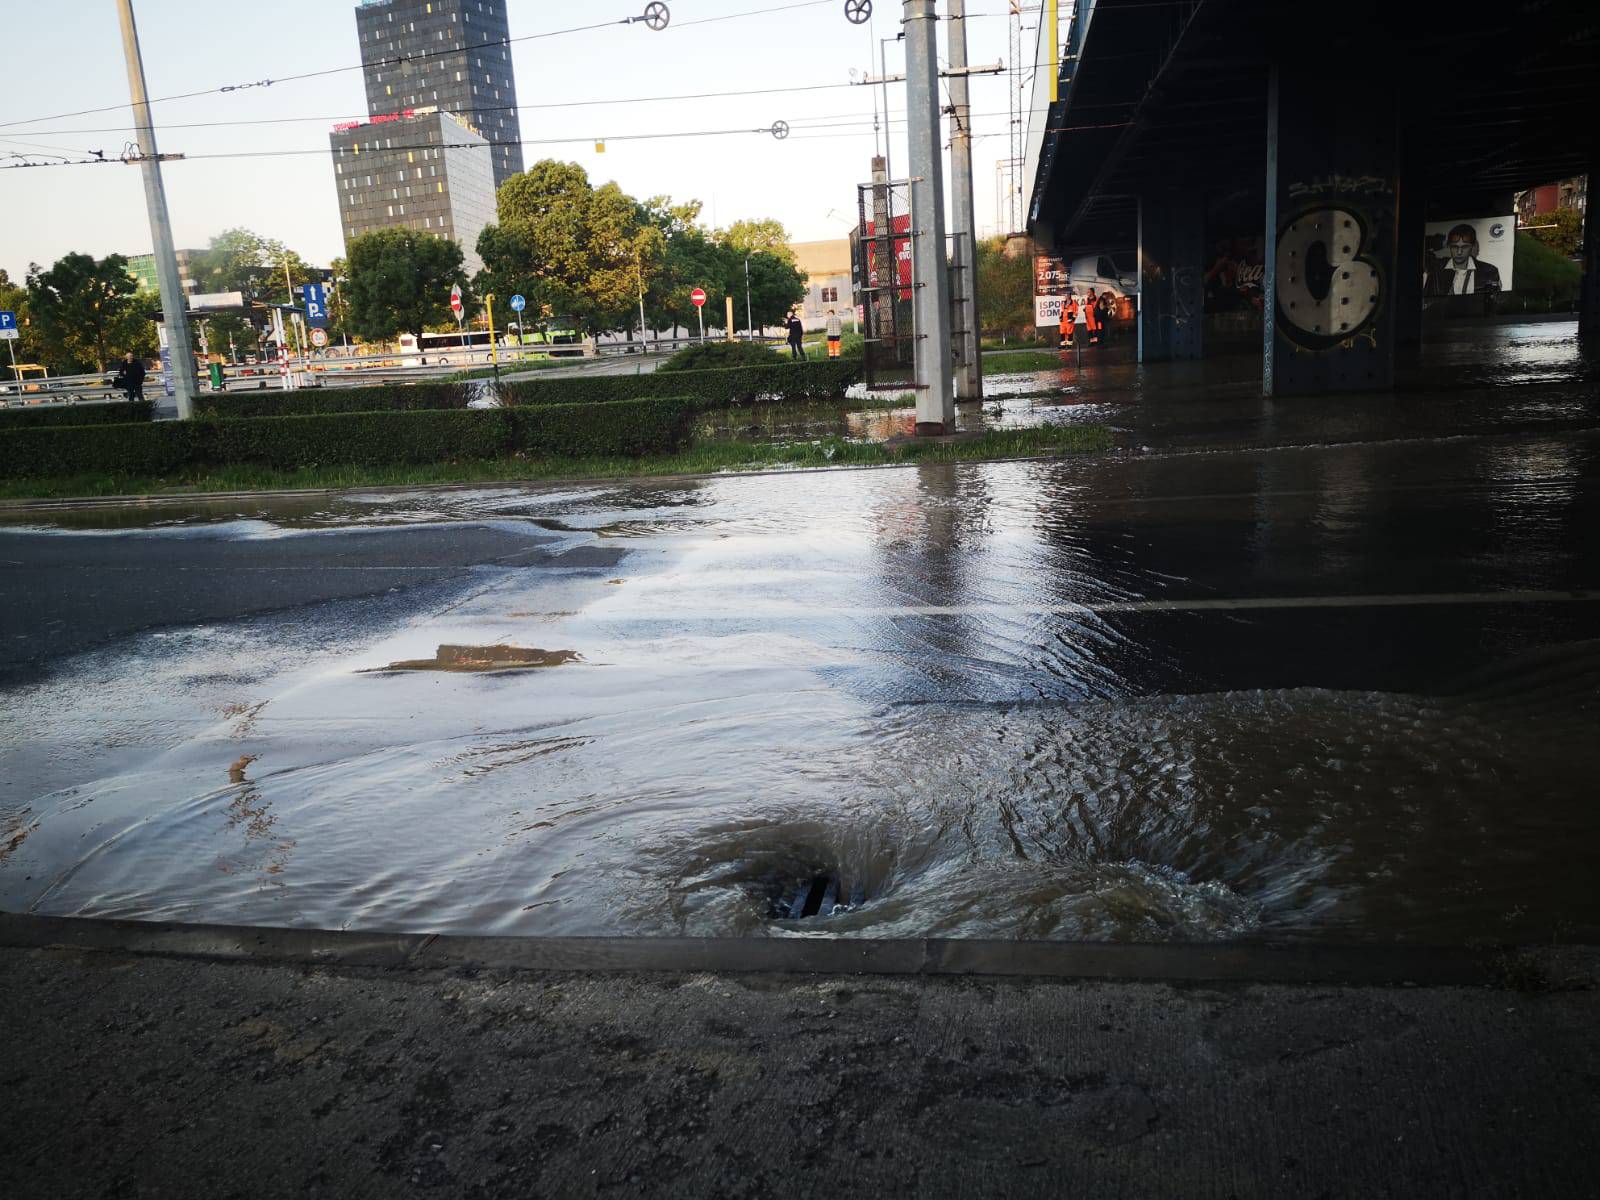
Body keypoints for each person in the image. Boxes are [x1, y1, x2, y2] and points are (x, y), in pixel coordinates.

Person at [1425, 223, 1502, 296]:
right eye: (1455, 247)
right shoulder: (1437, 267)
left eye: (1465, 247)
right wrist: (1441, 241)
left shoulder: (1489, 271)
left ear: (1472, 246)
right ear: (1449, 246)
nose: (1459, 252)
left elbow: (1495, 301)